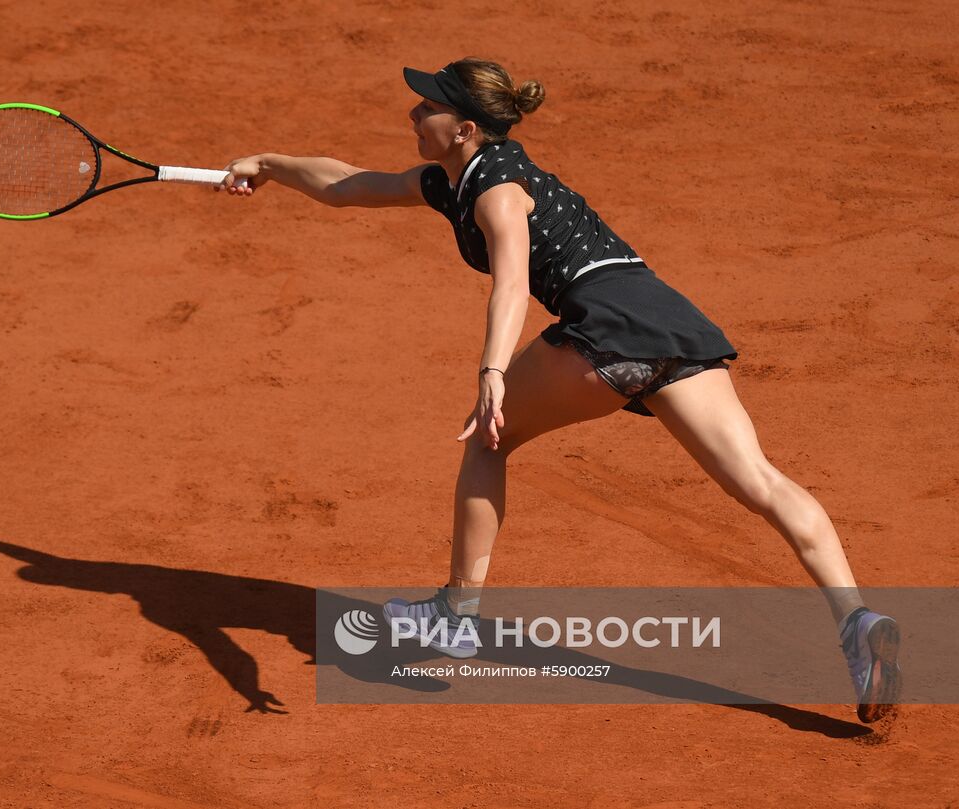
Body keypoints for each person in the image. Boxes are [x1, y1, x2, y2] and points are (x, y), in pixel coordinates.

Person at [218, 58, 900, 723]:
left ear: (466, 128)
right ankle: (858, 623)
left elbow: (512, 281)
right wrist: (269, 164)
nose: (414, 112)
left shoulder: (496, 190)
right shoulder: (454, 180)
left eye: (429, 105)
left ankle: (457, 614)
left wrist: (491, 372)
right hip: (667, 321)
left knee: (492, 433)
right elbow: (347, 184)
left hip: (605, 329)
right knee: (760, 481)